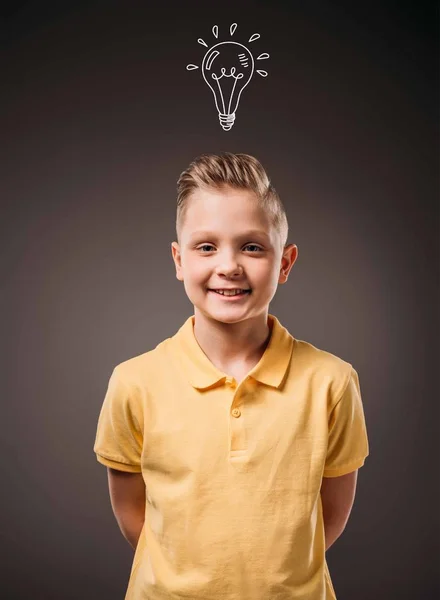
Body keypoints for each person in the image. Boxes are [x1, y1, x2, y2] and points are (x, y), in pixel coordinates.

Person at [93, 152, 370, 600]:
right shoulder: (134, 383)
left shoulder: (332, 383)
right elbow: (134, 515)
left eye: (252, 246)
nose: (229, 266)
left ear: (285, 262)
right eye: (206, 246)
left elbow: (328, 516)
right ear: (179, 260)